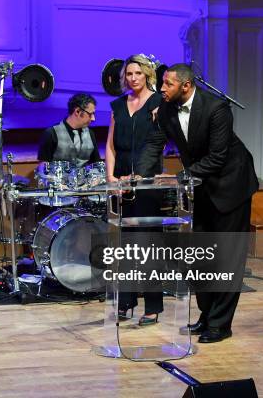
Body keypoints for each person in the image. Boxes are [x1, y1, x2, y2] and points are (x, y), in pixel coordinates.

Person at [140, 63, 259, 343]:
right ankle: (207, 316)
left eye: (167, 84)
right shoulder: (167, 108)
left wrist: (182, 177)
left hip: (231, 186)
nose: (161, 89)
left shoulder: (216, 108)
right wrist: (139, 175)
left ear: (186, 85)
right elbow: (154, 144)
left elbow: (218, 157)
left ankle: (220, 324)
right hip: (201, 186)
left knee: (228, 257)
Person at [105, 54, 164, 326]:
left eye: (138, 73)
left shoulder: (158, 103)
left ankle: (152, 307)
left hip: (147, 182)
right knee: (124, 246)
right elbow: (110, 147)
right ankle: (126, 303)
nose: (133, 78)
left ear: (148, 74)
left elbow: (158, 144)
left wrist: (140, 175)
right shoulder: (118, 105)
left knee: (148, 245)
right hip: (121, 183)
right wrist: (111, 180)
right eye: (129, 74)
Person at [37, 93, 101, 167]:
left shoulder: (90, 133)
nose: (93, 119)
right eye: (90, 114)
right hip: (59, 178)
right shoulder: (51, 133)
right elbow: (43, 166)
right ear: (77, 111)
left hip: (84, 178)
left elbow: (96, 163)